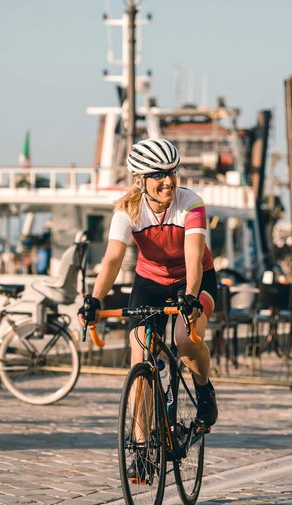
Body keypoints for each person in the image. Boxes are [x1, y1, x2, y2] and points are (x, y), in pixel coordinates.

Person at [78, 138, 219, 480]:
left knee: (186, 338)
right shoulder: (128, 210)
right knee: (140, 356)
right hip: (150, 284)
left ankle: (203, 390)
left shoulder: (190, 203)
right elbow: (112, 260)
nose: (168, 181)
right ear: (140, 180)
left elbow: (193, 254)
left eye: (172, 172)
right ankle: (141, 451)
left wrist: (188, 293)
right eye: (159, 175)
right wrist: (94, 298)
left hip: (194, 279)